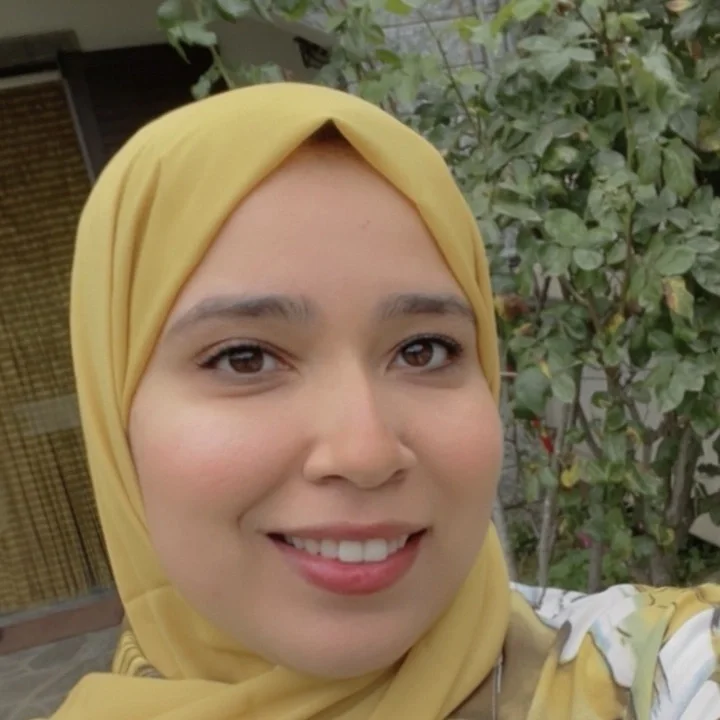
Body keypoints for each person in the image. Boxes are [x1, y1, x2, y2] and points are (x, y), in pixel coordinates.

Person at [55, 83, 719, 720]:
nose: (366, 453)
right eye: (245, 358)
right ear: (116, 415)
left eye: (423, 350)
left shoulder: (659, 675)